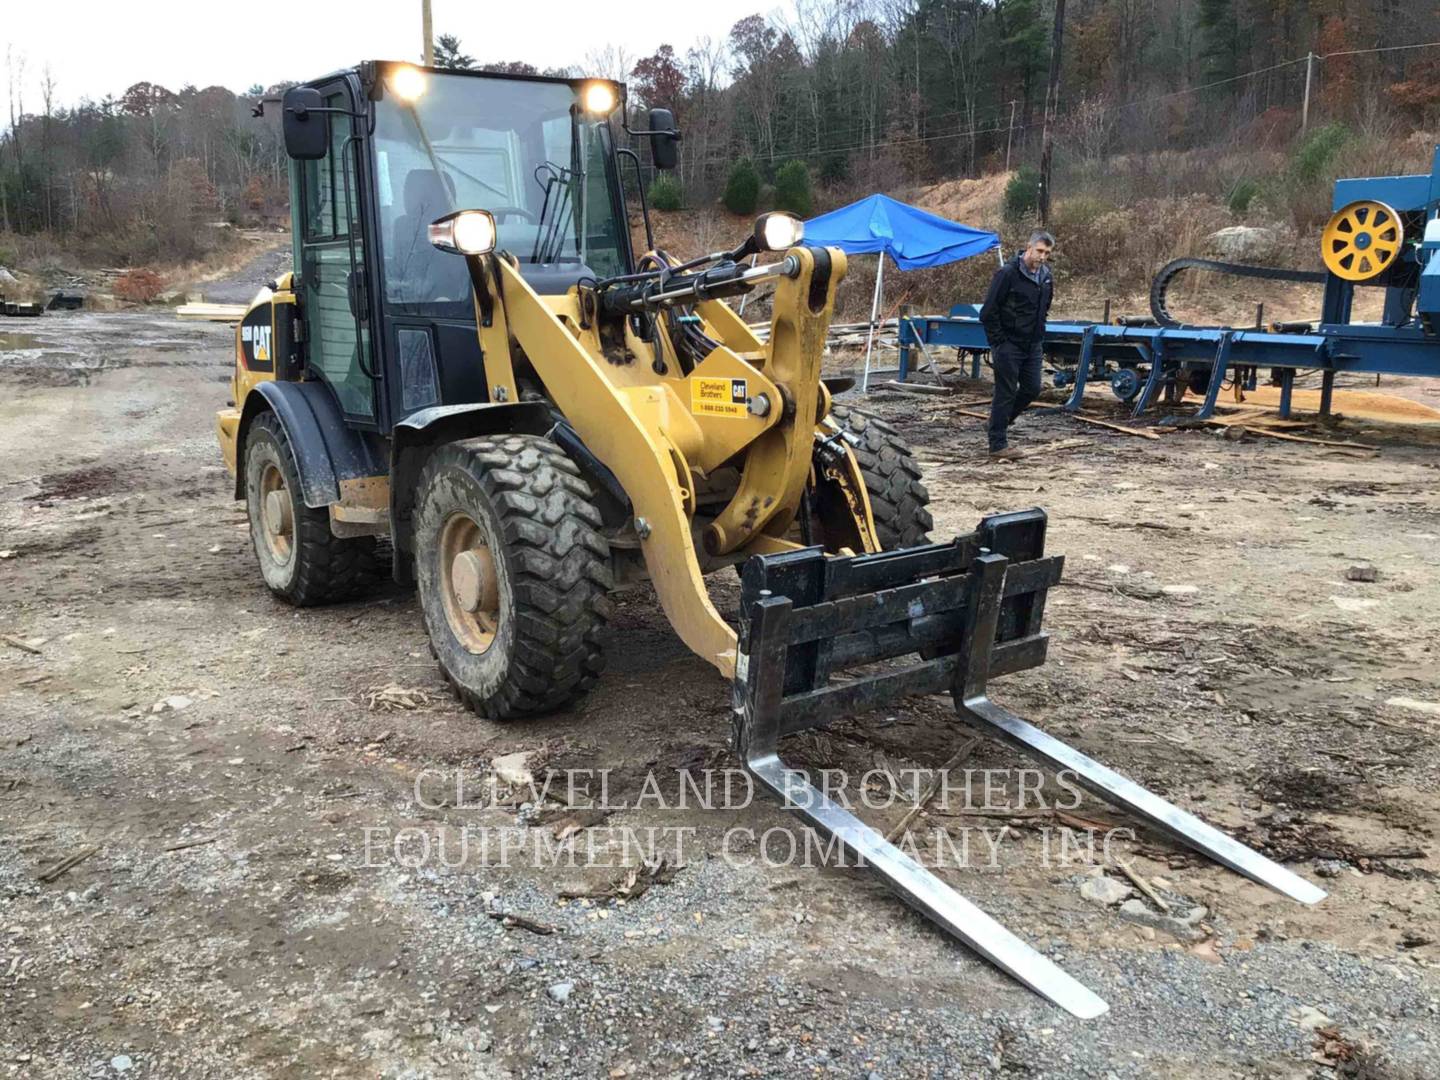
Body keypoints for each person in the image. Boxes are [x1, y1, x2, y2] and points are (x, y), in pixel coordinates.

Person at [978, 230, 1054, 460]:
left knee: (1032, 388)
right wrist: (999, 342)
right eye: (1040, 251)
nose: (1042, 256)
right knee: (1006, 391)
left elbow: (1045, 307)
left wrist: (1039, 334)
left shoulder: (1046, 276)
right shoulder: (1007, 274)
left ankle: (997, 423)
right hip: (1009, 344)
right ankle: (998, 444)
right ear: (1028, 247)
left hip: (1032, 344)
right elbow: (988, 312)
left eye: (1047, 253)